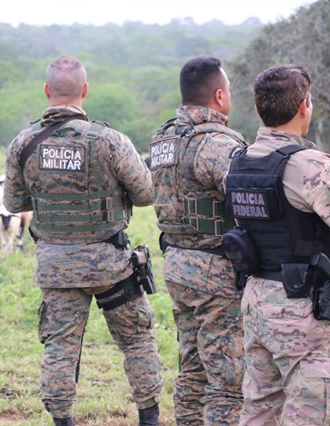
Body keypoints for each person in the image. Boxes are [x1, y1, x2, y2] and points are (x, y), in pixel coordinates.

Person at [3, 55, 163, 426]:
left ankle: (63, 420)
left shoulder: (23, 144)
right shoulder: (110, 141)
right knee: (137, 340)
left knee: (60, 345)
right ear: (85, 91)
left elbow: (13, 203)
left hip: (57, 266)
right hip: (110, 263)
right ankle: (149, 418)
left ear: (46, 92)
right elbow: (144, 193)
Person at [225, 64, 330, 426]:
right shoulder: (310, 166)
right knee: (310, 411)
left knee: (260, 408)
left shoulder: (237, 163)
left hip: (256, 303)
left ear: (258, 110)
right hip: (303, 309)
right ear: (304, 107)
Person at [148, 56, 246, 425]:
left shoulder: (163, 138)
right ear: (219, 96)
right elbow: (251, 197)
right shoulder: (216, 143)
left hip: (177, 266)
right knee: (226, 380)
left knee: (192, 368)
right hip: (215, 272)